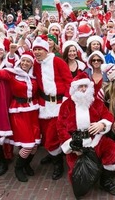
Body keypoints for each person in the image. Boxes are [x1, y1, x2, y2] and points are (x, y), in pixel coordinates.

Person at [56, 72, 115, 196]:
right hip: (77, 145)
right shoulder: (67, 105)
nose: (83, 89)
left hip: (97, 141)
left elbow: (108, 115)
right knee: (76, 176)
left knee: (114, 151)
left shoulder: (95, 102)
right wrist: (72, 146)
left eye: (85, 86)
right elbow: (60, 127)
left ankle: (105, 181)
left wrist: (102, 124)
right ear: (74, 88)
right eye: (80, 86)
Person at [0, 52, 40, 182]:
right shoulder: (12, 74)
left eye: (28, 61)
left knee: (35, 144)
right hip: (18, 112)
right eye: (23, 61)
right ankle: (18, 168)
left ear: (31, 64)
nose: (24, 63)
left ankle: (26, 164)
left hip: (33, 111)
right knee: (27, 144)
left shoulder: (34, 77)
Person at [31, 36, 72, 180]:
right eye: (35, 49)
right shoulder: (34, 64)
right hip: (43, 105)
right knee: (47, 135)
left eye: (39, 49)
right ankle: (54, 154)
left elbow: (69, 81)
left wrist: (66, 101)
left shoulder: (57, 61)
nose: (37, 52)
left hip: (59, 105)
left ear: (46, 49)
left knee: (54, 135)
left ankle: (58, 163)